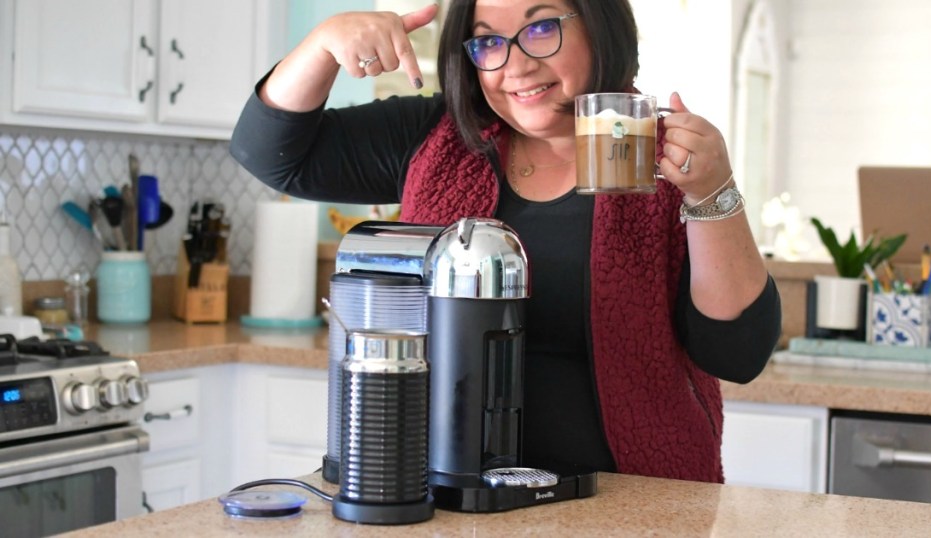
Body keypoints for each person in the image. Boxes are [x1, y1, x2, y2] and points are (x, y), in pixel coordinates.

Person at [230, 0, 781, 483]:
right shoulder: (438, 138)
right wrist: (323, 44)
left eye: (542, 29)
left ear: (599, 25)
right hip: (448, 496)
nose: (514, 62)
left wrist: (712, 193)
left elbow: (735, 353)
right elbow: (270, 152)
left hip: (632, 501)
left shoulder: (658, 156)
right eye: (489, 41)